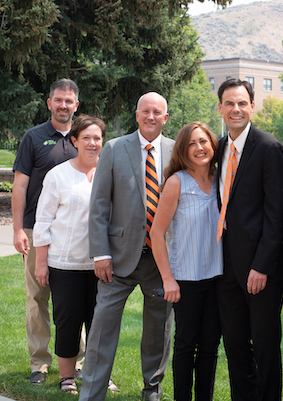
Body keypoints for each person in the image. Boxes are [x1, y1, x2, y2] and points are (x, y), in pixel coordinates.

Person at [79, 92, 175, 401]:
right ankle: (92, 393)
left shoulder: (177, 151)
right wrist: (101, 253)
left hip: (161, 261)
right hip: (117, 260)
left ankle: (152, 390)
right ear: (136, 115)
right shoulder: (114, 148)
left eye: (156, 112)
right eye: (145, 111)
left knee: (158, 332)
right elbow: (98, 206)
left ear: (165, 118)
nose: (150, 117)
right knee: (102, 331)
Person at [32, 115, 117, 395]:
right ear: (74, 141)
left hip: (101, 264)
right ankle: (66, 377)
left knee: (99, 324)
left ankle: (99, 376)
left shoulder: (110, 172)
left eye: (97, 138)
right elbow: (43, 221)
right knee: (68, 322)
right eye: (86, 138)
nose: (92, 143)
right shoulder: (58, 175)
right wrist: (41, 263)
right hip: (64, 264)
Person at [215, 79, 283, 401]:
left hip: (260, 268)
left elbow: (277, 215)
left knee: (264, 343)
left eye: (242, 103)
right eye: (229, 103)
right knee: (234, 341)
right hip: (226, 263)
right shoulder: (220, 147)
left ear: (252, 107)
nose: (236, 109)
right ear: (220, 108)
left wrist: (262, 266)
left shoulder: (269, 147)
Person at [11, 78, 85, 385]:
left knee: (75, 299)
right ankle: (39, 363)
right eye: (58, 100)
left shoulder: (86, 138)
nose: (63, 105)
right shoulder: (33, 137)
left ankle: (79, 362)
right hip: (36, 228)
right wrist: (18, 229)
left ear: (76, 105)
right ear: (49, 103)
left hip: (75, 233)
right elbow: (20, 185)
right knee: (37, 298)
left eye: (69, 101)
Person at [150, 122, 223, 401]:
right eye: (192, 143)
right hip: (186, 279)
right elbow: (156, 234)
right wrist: (168, 279)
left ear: (212, 146)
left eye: (204, 141)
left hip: (218, 277)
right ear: (183, 149)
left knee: (209, 347)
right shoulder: (176, 182)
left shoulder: (220, 179)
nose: (199, 148)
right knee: (185, 345)